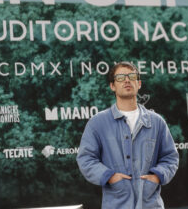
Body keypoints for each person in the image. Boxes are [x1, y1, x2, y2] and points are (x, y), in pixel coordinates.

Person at [76, 61, 179, 209]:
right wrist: (110, 177)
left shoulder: (156, 122)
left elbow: (170, 158)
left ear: (139, 83)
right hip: (116, 204)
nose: (126, 80)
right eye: (120, 77)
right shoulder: (98, 123)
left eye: (131, 76)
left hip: (150, 204)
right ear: (112, 86)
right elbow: (86, 159)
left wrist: (156, 177)